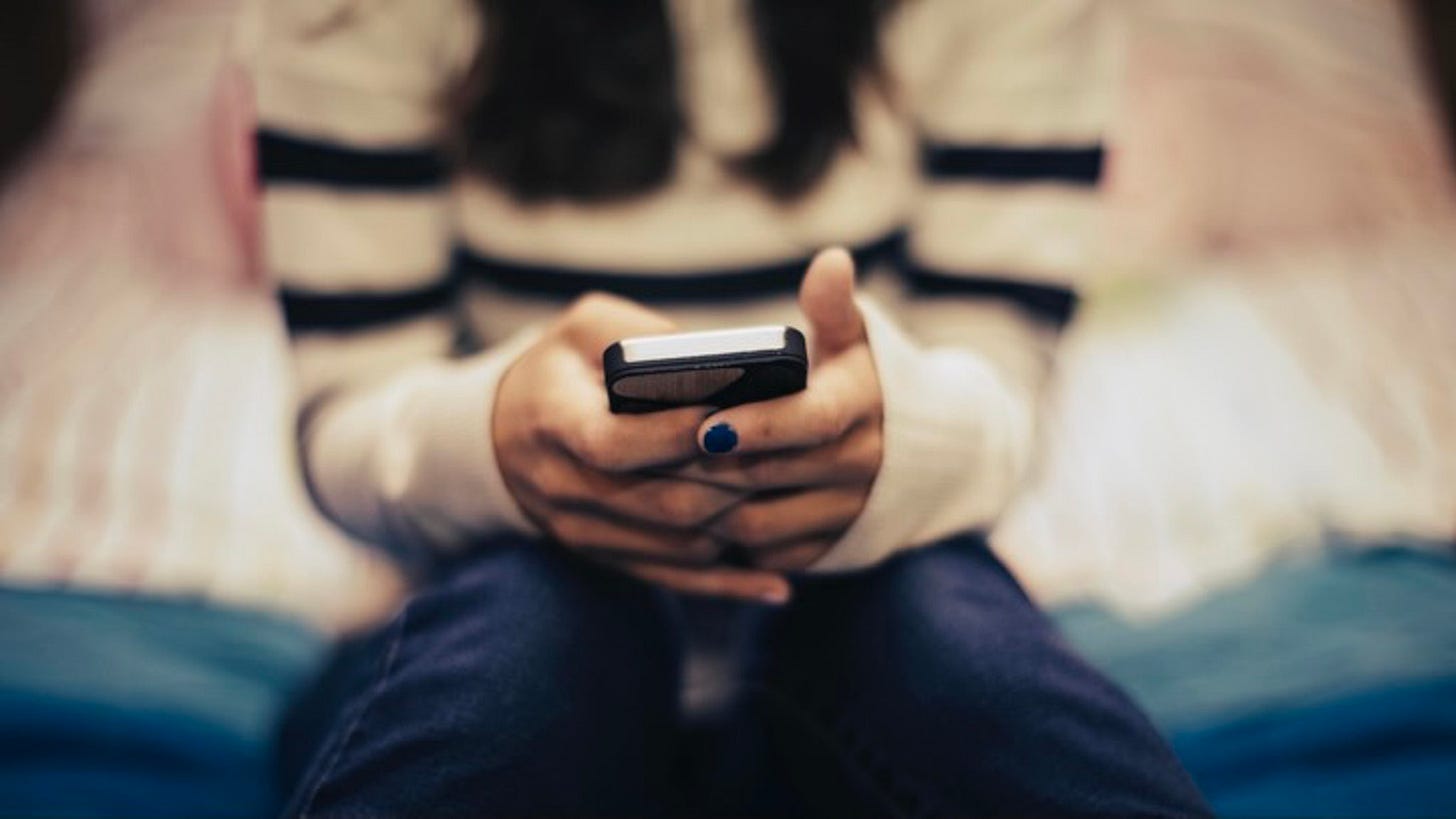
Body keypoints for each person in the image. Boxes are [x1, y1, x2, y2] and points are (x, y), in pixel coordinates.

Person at [249, 0, 1210, 814]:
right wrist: (498, 441)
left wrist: (895, 444)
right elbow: (347, 411)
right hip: (497, 582)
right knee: (516, 642)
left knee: (951, 639)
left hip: (872, 583)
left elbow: (1006, 368)